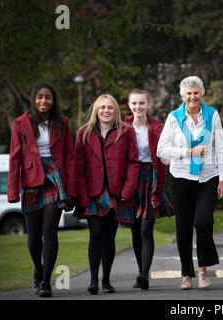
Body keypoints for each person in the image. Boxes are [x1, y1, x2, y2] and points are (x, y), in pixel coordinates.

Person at [157, 75, 223, 290]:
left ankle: (203, 271)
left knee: (204, 221)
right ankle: (186, 274)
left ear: (202, 94)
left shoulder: (212, 115)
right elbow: (162, 152)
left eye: (196, 92)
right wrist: (187, 152)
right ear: (182, 95)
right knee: (183, 227)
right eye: (188, 93)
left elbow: (221, 148)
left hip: (208, 177)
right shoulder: (174, 118)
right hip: (181, 178)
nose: (192, 97)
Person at [7, 83, 76, 297]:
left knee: (49, 231)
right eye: (40, 97)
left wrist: (71, 189)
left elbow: (70, 157)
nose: (43, 101)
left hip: (55, 179)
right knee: (34, 234)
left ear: (53, 100)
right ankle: (38, 269)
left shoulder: (62, 123)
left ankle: (46, 282)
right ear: (34, 99)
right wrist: (12, 190)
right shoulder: (20, 123)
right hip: (31, 179)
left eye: (48, 97)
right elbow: (14, 157)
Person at [74, 94, 139, 295]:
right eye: (102, 107)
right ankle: (93, 280)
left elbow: (133, 162)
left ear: (116, 111)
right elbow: (78, 166)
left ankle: (106, 280)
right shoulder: (84, 133)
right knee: (95, 234)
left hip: (115, 192)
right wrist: (82, 196)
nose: (106, 111)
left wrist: (127, 191)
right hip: (92, 193)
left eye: (110, 108)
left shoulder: (126, 132)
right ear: (96, 110)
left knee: (110, 237)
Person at [125, 89, 174, 290]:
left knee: (146, 229)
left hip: (150, 179)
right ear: (129, 105)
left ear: (148, 105)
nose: (138, 107)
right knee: (135, 230)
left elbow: (161, 163)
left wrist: (158, 191)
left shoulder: (157, 129)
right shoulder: (122, 127)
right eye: (134, 103)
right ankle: (140, 271)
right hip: (131, 179)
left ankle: (144, 275)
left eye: (141, 103)